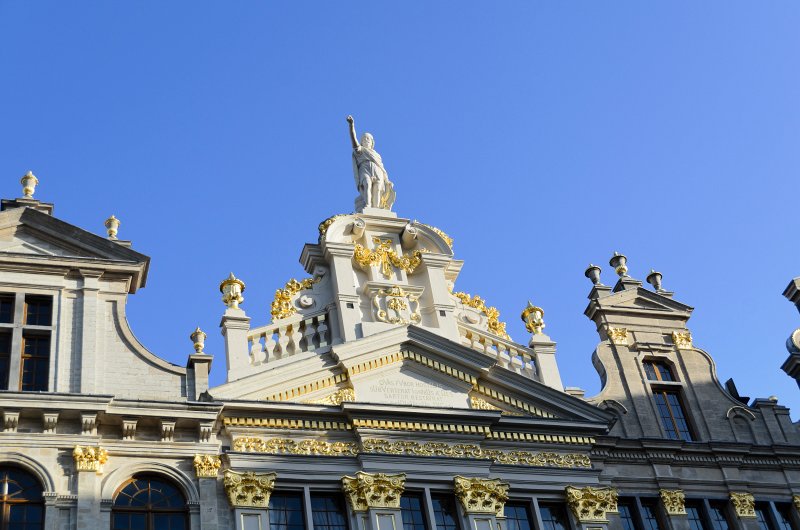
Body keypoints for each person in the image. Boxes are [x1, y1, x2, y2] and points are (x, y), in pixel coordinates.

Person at [347, 115, 395, 210]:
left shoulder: (377, 155)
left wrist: (387, 180)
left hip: (377, 171)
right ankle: (368, 205)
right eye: (364, 139)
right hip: (364, 168)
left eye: (368, 138)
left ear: (372, 142)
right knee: (367, 185)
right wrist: (351, 125)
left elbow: (382, 167)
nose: (366, 140)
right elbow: (354, 141)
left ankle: (376, 208)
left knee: (377, 189)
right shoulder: (360, 151)